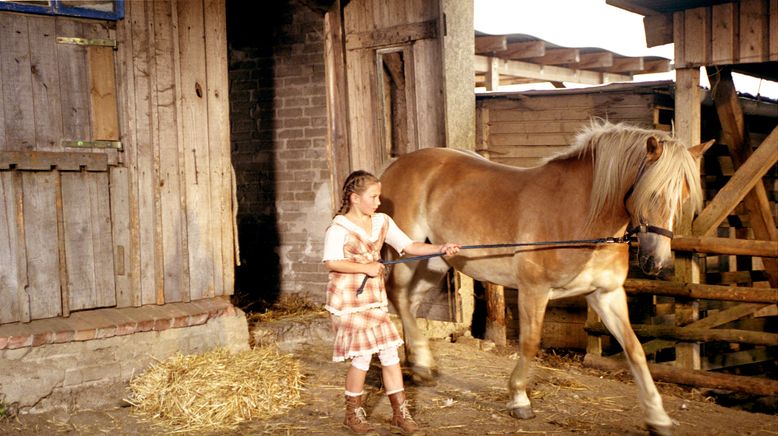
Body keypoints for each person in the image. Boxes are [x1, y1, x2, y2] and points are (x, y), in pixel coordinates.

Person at [322, 170, 460, 434]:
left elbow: (408, 246)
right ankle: (352, 414)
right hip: (348, 298)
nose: (377, 202)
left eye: (378, 196)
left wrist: (440, 248)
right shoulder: (338, 228)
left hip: (373, 296)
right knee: (362, 357)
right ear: (354, 198)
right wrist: (365, 268)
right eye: (373, 197)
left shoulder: (381, 221)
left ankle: (400, 413)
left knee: (389, 354)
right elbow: (331, 262)